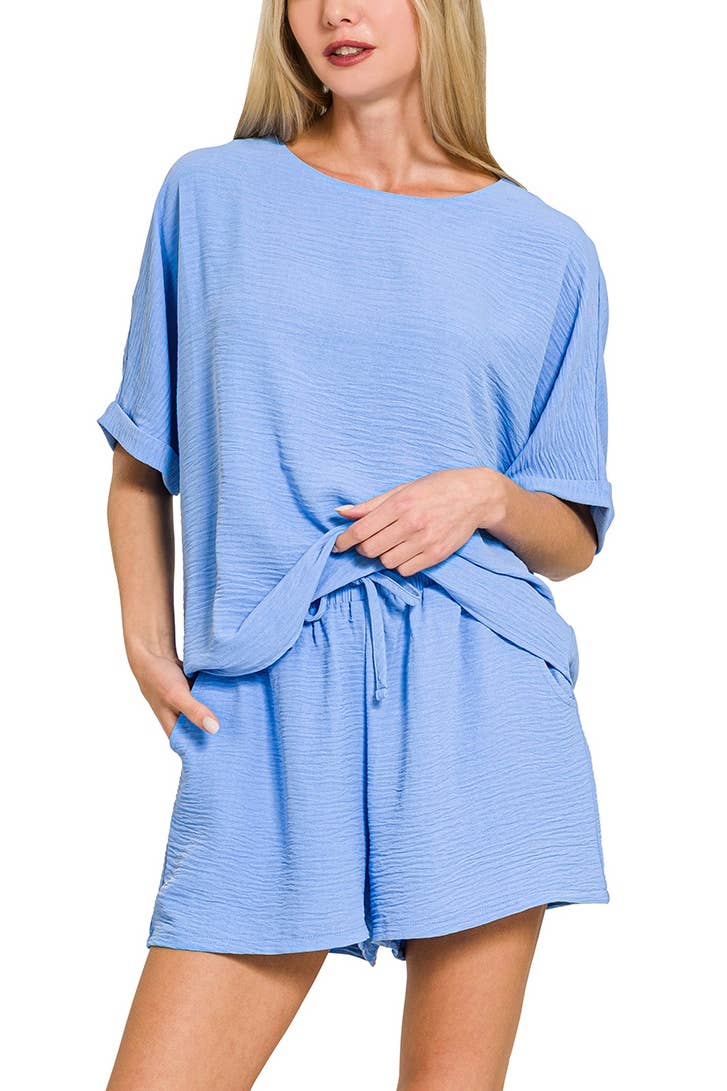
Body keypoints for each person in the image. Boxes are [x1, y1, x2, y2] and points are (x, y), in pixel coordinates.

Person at [98, 2, 615, 1088]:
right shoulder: (212, 196)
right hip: (267, 696)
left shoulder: (547, 248)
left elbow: (570, 537)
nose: (336, 10)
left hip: (482, 698)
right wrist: (146, 645)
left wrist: (483, 494)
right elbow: (142, 460)